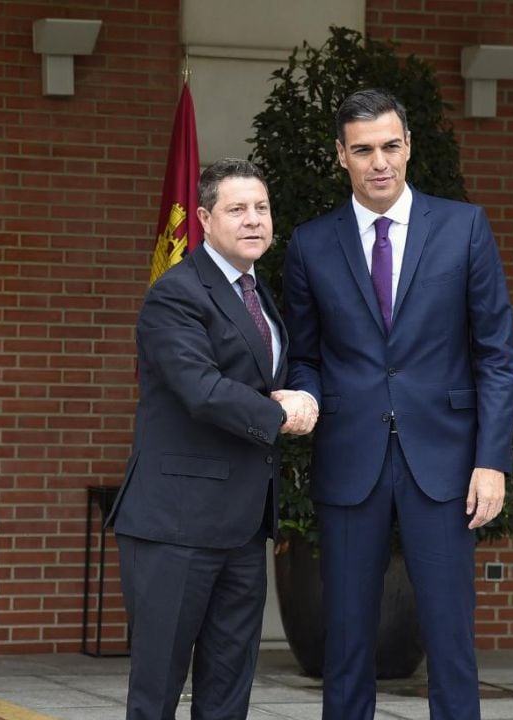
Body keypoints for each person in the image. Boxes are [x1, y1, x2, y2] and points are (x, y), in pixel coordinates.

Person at [281, 88, 513, 720]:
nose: (378, 161)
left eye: (390, 146)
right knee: (346, 640)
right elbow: (304, 353)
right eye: (362, 150)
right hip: (350, 456)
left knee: (449, 637)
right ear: (342, 156)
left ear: (408, 146)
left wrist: (491, 461)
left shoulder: (464, 227)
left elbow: (495, 354)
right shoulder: (310, 244)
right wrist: (305, 392)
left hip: (442, 461)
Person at [110, 157, 316, 720]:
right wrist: (280, 415)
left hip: (243, 525)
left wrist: (305, 395)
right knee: (157, 692)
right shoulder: (175, 294)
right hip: (175, 525)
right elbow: (200, 388)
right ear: (203, 217)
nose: (254, 221)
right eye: (237, 209)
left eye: (262, 208)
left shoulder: (260, 293)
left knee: (229, 690)